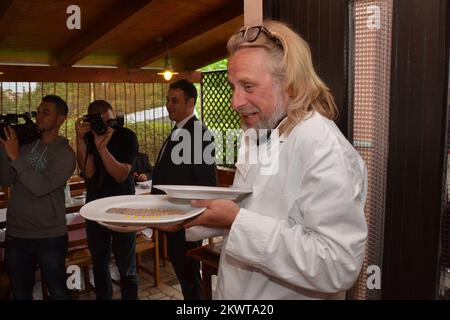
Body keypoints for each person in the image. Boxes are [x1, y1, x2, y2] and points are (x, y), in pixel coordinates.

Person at [184, 20, 368, 299]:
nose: (235, 101)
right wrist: (186, 215)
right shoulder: (257, 134)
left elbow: (337, 264)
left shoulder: (323, 147)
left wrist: (236, 221)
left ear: (291, 85)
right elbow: (255, 210)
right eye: (233, 85)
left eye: (248, 86)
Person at [0, 95, 76, 300]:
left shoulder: (66, 154)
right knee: (20, 293)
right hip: (17, 234)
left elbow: (41, 187)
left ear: (60, 119)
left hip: (49, 236)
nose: (38, 117)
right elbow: (5, 179)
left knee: (59, 292)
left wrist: (15, 156)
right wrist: (4, 148)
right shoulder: (24, 147)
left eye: (45, 113)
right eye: (38, 112)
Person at [151, 79, 217, 300]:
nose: (169, 105)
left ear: (190, 103)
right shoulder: (180, 130)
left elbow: (207, 184)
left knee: (190, 277)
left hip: (184, 218)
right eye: (168, 100)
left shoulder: (198, 133)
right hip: (172, 217)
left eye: (175, 101)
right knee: (185, 274)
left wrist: (185, 217)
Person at [75, 100, 139, 300]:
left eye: (111, 121)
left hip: (123, 208)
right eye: (102, 122)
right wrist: (80, 139)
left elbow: (120, 175)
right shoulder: (88, 137)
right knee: (100, 263)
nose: (108, 126)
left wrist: (103, 149)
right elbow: (88, 172)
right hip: (95, 207)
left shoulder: (126, 136)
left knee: (126, 265)